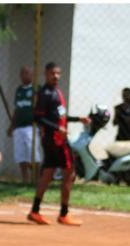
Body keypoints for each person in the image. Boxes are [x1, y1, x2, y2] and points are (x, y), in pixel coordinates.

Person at [27, 62, 91, 226]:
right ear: (46, 74)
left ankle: (35, 211)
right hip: (56, 140)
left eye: (57, 73)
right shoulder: (45, 93)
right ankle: (64, 213)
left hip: (54, 139)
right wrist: (58, 129)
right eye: (52, 73)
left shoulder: (56, 92)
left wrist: (78, 119)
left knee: (47, 174)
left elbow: (59, 117)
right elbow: (38, 118)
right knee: (70, 172)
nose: (55, 76)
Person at [8, 66, 40, 184]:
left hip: (31, 126)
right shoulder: (19, 90)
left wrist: (41, 126)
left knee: (33, 154)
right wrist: (12, 126)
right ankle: (25, 179)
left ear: (32, 75)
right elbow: (16, 109)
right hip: (18, 127)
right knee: (20, 154)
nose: (24, 75)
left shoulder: (36, 89)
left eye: (27, 73)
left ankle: (36, 180)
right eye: (22, 73)